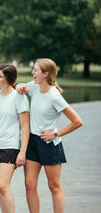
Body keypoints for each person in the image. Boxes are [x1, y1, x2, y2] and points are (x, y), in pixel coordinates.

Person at [16, 58, 83, 213]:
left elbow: (77, 122)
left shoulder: (54, 96)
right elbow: (22, 87)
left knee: (54, 186)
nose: (32, 72)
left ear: (45, 74)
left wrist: (56, 133)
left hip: (48, 143)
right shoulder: (34, 86)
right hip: (33, 141)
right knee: (29, 185)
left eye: (36, 70)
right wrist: (20, 86)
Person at [0, 64, 30, 213]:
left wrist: (22, 151)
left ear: (8, 79)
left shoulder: (19, 97)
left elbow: (25, 127)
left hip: (10, 146)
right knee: (1, 188)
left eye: (0, 76)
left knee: (2, 186)